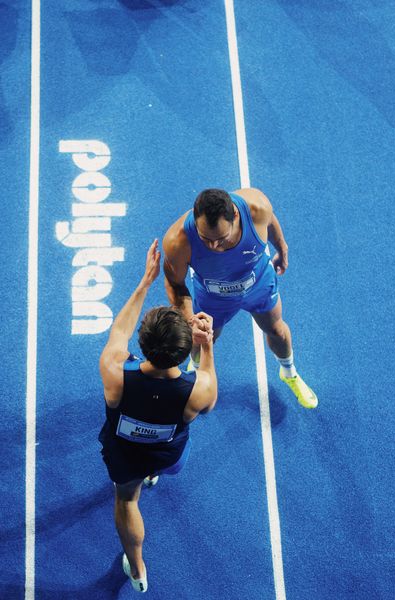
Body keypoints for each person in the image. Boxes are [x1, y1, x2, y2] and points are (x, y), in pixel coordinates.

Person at [99, 239, 217, 593]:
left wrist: (145, 281)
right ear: (183, 352)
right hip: (167, 454)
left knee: (126, 500)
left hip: (124, 454)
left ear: (144, 344)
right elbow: (208, 380)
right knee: (158, 458)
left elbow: (117, 332)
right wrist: (206, 345)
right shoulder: (197, 391)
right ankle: (153, 474)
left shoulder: (116, 372)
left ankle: (137, 570)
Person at [162, 187, 318, 409]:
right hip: (213, 297)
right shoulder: (178, 241)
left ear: (235, 215)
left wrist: (282, 248)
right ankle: (195, 371)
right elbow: (175, 285)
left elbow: (271, 222)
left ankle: (289, 372)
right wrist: (191, 321)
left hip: (259, 283)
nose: (214, 246)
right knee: (202, 338)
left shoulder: (257, 208)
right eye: (205, 239)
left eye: (221, 239)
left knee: (277, 331)